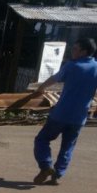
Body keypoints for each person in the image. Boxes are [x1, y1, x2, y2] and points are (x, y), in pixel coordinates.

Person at [32, 37, 97, 185]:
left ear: (84, 52)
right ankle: (58, 175)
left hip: (60, 114)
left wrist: (41, 88)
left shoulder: (72, 66)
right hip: (79, 117)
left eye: (75, 49)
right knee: (68, 146)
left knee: (42, 139)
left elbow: (54, 79)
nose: (72, 52)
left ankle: (46, 165)